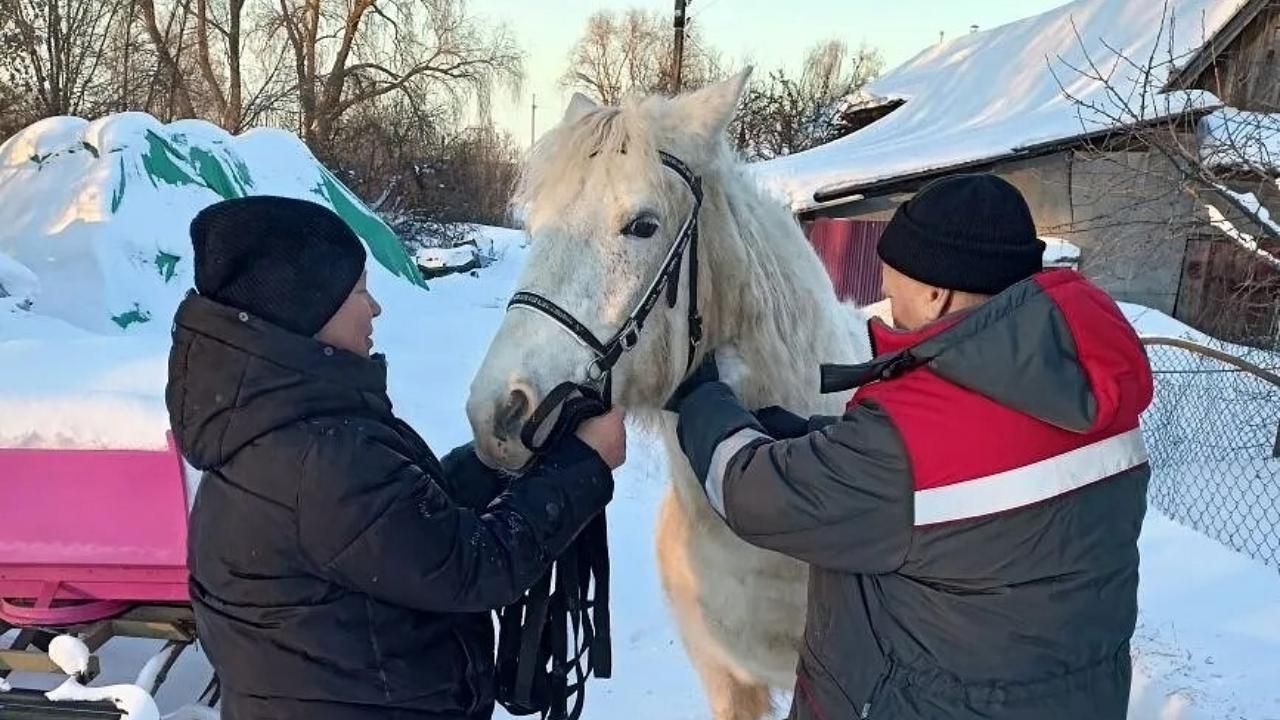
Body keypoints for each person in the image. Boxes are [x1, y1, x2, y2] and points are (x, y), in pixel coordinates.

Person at [666, 174, 1154, 720]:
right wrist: (796, 432)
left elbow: (751, 493)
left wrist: (701, 399)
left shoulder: (909, 439)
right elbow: (947, 480)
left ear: (934, 293)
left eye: (889, 277)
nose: (885, 297)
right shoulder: (1090, 395)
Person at [165, 196, 625, 720]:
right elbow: (473, 567)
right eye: (360, 290)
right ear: (308, 308)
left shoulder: (278, 427)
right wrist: (584, 466)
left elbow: (397, 528)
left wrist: (492, 463)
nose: (375, 307)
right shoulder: (318, 460)